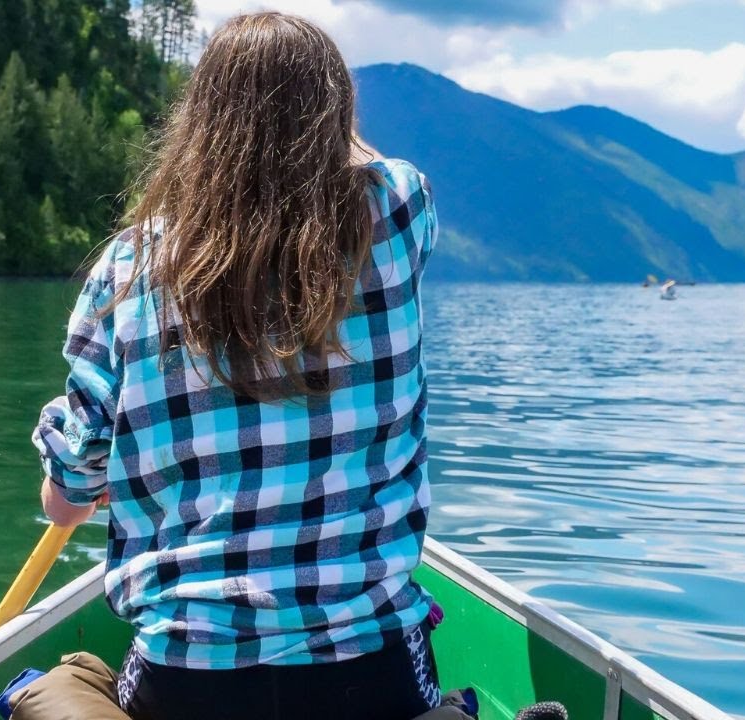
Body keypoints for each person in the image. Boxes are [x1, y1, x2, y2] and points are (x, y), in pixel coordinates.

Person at [28, 11, 440, 720]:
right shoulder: (394, 216)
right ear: (336, 119)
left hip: (190, 679)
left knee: (63, 685)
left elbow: (66, 500)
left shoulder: (129, 267)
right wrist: (317, 118)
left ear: (199, 124)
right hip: (369, 677)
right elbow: (364, 166)